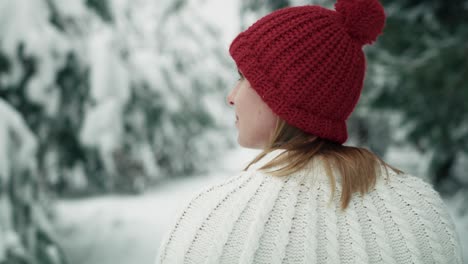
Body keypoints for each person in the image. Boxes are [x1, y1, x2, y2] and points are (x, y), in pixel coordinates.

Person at [155, 0, 463, 263]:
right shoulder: (422, 211)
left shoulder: (210, 217)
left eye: (244, 78)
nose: (231, 96)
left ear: (284, 94)